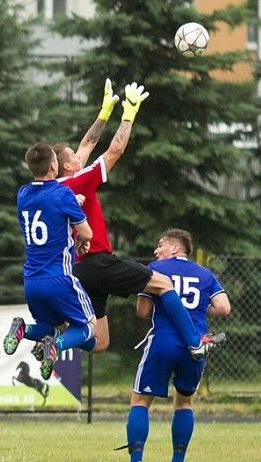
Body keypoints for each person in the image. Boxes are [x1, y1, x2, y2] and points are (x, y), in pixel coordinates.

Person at [53, 79, 222, 360]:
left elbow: (87, 143)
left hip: (79, 269)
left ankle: (54, 345)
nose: (78, 152)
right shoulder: (78, 182)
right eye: (73, 155)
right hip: (97, 260)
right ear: (68, 166)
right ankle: (195, 342)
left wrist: (104, 113)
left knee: (100, 341)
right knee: (163, 284)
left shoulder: (59, 184)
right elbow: (114, 151)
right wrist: (128, 115)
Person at [120, 229, 230, 462]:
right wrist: (197, 311)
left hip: (164, 340)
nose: (156, 251)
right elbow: (224, 308)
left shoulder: (156, 269)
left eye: (160, 245)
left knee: (140, 401)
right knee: (184, 403)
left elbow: (143, 310)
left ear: (174, 248)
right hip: (196, 343)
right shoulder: (204, 273)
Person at [2, 142, 97, 381]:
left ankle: (23, 329)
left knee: (52, 326)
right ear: (54, 166)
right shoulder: (62, 194)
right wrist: (78, 240)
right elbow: (87, 233)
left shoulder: (22, 194)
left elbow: (46, 204)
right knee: (90, 326)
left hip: (31, 280)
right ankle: (57, 347)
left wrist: (71, 202)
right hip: (58, 277)